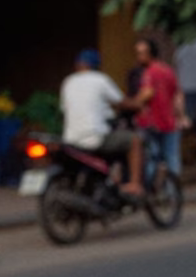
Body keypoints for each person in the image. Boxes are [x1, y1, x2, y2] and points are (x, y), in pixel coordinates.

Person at [59, 49, 144, 197]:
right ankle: (135, 184)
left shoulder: (68, 82)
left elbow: (65, 109)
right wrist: (138, 105)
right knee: (133, 140)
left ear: (78, 65)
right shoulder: (100, 79)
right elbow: (121, 102)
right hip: (94, 138)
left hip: (71, 140)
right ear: (96, 66)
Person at [134, 39, 188, 178]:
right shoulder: (168, 71)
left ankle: (150, 193)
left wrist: (133, 103)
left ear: (150, 54)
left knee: (152, 158)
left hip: (151, 123)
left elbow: (147, 93)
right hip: (170, 123)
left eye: (141, 53)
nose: (138, 57)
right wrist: (181, 116)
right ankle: (174, 192)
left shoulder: (149, 72)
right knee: (172, 157)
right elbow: (178, 95)